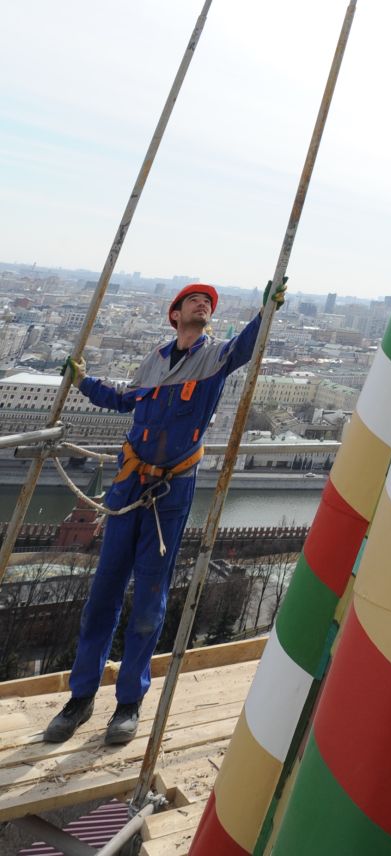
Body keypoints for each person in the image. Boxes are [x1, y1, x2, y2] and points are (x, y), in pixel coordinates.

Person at [42, 279, 284, 747]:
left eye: (208, 303)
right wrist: (81, 380)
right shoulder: (153, 361)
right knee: (102, 594)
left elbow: (248, 347)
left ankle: (129, 702)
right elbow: (122, 400)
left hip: (170, 490)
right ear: (175, 315)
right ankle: (80, 698)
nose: (203, 305)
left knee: (150, 600)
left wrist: (266, 313)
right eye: (194, 300)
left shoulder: (215, 358)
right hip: (130, 481)